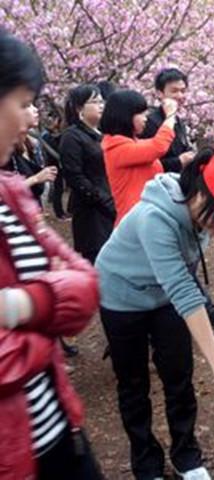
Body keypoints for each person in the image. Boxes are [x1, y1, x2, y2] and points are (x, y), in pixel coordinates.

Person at [96, 151, 214, 480]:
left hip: (163, 295)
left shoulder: (199, 217)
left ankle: (186, 456)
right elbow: (183, 288)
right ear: (200, 194)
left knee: (179, 375)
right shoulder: (154, 218)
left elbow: (181, 281)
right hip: (121, 297)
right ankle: (146, 463)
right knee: (134, 384)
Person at [0, 28, 103, 479]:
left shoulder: (10, 194)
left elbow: (86, 285)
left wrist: (22, 305)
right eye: (23, 103)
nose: (31, 118)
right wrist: (48, 327)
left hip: (61, 432)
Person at [101, 89, 176, 225]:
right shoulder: (116, 147)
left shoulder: (132, 143)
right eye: (141, 113)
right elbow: (158, 146)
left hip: (147, 216)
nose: (145, 118)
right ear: (125, 116)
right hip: (134, 221)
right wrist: (170, 116)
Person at [60, 84, 114, 265]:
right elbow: (75, 177)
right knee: (98, 262)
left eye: (102, 101)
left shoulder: (103, 134)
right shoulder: (72, 137)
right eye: (95, 102)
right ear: (79, 108)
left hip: (111, 204)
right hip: (91, 211)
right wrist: (104, 200)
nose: (101, 106)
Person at [140, 68, 195, 173]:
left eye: (183, 91)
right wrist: (178, 161)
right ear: (160, 93)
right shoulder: (149, 122)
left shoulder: (178, 121)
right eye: (174, 91)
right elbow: (146, 161)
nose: (180, 96)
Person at [2, 103, 58, 205]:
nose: (36, 109)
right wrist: (35, 179)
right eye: (27, 105)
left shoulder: (30, 142)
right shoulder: (5, 149)